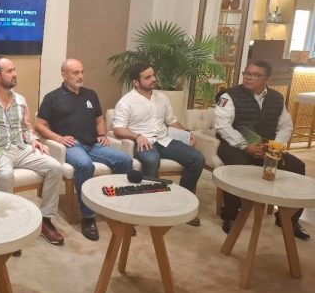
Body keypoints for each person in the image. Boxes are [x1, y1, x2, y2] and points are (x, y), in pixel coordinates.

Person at [0, 57, 65, 245]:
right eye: (10, 71)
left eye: (14, 70)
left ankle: (46, 220)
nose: (15, 74)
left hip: (21, 148)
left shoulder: (20, 100)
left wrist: (35, 140)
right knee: (5, 175)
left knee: (55, 167)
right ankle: (8, 224)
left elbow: (26, 128)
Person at [35, 59, 133, 241]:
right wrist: (58, 138)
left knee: (125, 160)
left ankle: (118, 210)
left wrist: (102, 134)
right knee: (85, 165)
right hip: (71, 145)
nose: (80, 76)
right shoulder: (52, 98)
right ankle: (88, 217)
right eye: (75, 73)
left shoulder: (90, 94)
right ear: (64, 75)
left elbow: (99, 119)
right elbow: (39, 125)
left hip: (94, 144)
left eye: (82, 72)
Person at [215, 60, 309, 239]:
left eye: (256, 75)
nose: (249, 77)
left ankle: (288, 219)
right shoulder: (229, 96)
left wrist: (275, 148)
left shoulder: (277, 98)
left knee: (297, 166)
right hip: (234, 145)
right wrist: (245, 146)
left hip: (267, 147)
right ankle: (230, 215)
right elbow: (223, 126)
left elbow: (286, 126)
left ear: (267, 79)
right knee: (237, 167)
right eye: (247, 73)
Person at [112, 63, 204, 226]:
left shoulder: (162, 98)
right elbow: (118, 129)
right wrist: (137, 136)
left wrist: (187, 133)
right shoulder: (126, 102)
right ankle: (150, 205)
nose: (153, 79)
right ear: (136, 82)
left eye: (153, 75)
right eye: (148, 77)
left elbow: (172, 121)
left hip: (164, 139)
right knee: (151, 160)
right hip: (143, 142)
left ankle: (183, 202)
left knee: (197, 158)